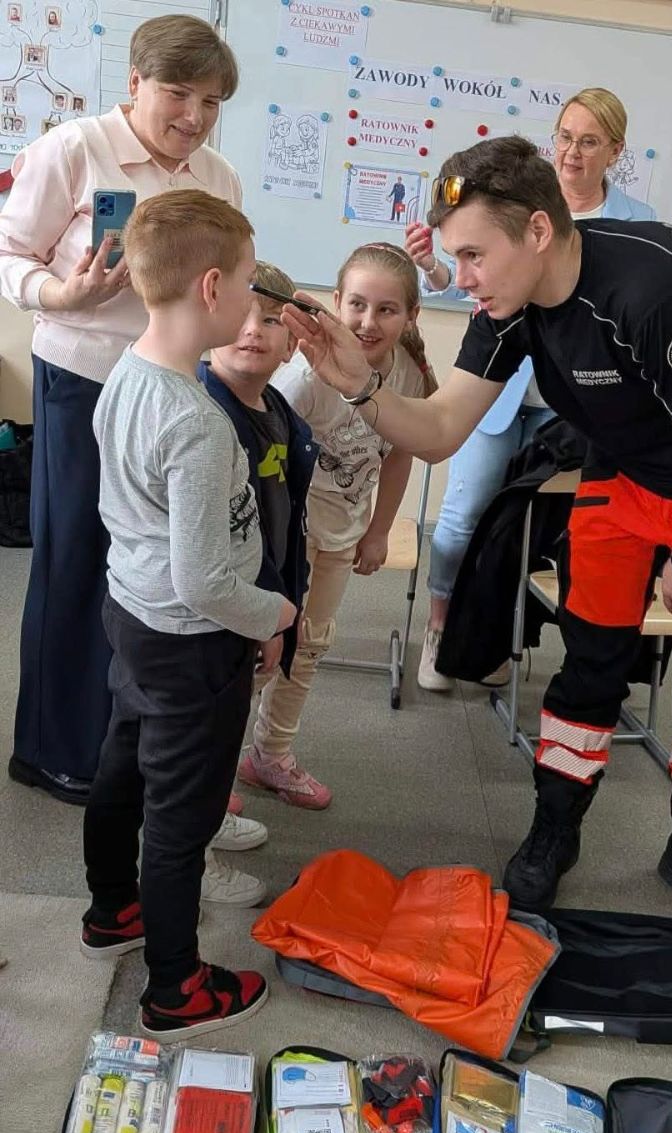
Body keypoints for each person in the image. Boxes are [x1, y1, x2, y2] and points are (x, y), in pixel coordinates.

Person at [282, 137, 672, 943]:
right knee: (591, 657)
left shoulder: (648, 292)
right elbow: (444, 428)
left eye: (474, 254)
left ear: (538, 233)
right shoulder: (507, 307)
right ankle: (555, 827)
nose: (464, 277)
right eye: (457, 256)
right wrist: (362, 385)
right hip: (621, 476)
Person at [0, 15, 241, 804]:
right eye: (178, 93)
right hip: (82, 377)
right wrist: (61, 294)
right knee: (76, 560)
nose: (193, 117)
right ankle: (53, 750)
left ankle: (128, 748)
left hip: (176, 393)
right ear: (134, 82)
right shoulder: (76, 149)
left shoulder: (218, 178)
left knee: (152, 576)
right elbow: (9, 253)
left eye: (210, 101)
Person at [80, 191, 296, 1041]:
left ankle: (111, 915)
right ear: (211, 287)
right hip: (191, 638)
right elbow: (206, 580)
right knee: (181, 818)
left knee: (123, 766)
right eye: (247, 284)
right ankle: (175, 987)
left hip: (132, 615)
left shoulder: (123, 377)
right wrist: (273, 612)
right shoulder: (197, 425)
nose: (252, 303)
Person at [404, 88, 655, 692]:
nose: (571, 152)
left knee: (535, 529)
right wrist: (438, 271)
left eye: (588, 141)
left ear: (615, 151)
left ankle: (494, 637)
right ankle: (444, 629)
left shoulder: (634, 222)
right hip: (501, 393)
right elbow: (476, 294)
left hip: (575, 409)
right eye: (564, 137)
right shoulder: (515, 202)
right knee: (464, 518)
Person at [236, 243, 437, 808]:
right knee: (261, 645)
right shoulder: (306, 377)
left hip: (341, 532)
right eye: (357, 305)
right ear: (335, 304)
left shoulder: (409, 375)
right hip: (285, 533)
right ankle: (207, 762)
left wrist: (378, 530)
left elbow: (401, 453)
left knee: (311, 644)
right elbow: (264, 459)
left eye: (386, 310)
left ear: (411, 316)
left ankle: (269, 757)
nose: (368, 322)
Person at [196, 261, 317, 904]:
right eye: (242, 316)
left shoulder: (275, 408)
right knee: (204, 740)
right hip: (221, 608)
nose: (254, 331)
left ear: (294, 340)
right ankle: (194, 858)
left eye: (272, 321)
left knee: (230, 719)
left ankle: (209, 818)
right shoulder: (204, 413)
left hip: (260, 596)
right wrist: (265, 613)